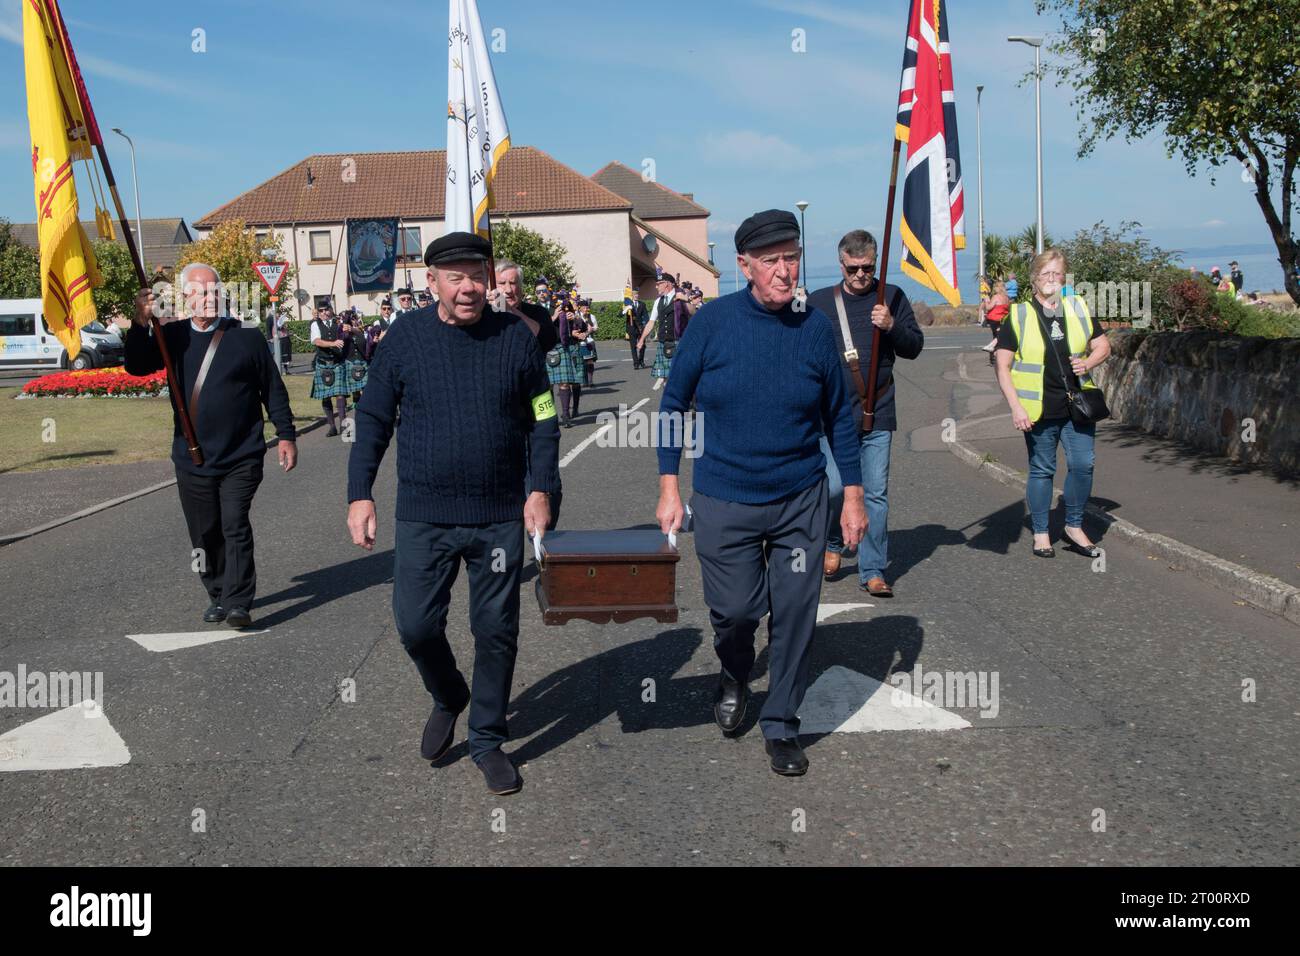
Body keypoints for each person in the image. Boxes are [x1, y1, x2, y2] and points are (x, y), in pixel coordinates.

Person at [346, 232, 559, 796]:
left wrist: (542, 489)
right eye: (455, 277)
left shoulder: (517, 338)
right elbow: (371, 419)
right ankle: (449, 695)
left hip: (497, 514)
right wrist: (359, 493)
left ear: (490, 279)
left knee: (495, 630)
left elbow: (543, 416)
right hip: (424, 513)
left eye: (476, 276)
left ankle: (487, 738)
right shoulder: (403, 339)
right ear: (432, 281)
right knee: (415, 625)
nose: (468, 288)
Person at [656, 209, 866, 777]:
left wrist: (851, 494)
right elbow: (673, 405)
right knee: (735, 613)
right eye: (770, 260)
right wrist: (669, 485)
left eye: (791, 258)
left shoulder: (815, 330)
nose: (783, 271)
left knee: (796, 612)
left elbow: (841, 417)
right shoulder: (713, 323)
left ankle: (781, 724)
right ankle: (734, 670)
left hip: (800, 496)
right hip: (725, 497)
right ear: (744, 265)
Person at [126, 262, 297, 629]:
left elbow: (272, 388)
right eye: (201, 291)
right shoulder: (172, 336)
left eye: (215, 290)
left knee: (234, 523)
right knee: (205, 532)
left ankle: (238, 601)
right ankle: (217, 594)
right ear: (186, 297)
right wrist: (140, 323)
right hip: (193, 457)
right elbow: (137, 367)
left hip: (242, 454)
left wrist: (286, 434)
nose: (209, 298)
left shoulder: (245, 336)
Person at [808, 229, 923, 597]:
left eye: (868, 268)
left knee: (875, 494)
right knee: (835, 487)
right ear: (841, 264)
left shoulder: (891, 296)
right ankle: (832, 540)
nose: (861, 275)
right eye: (854, 268)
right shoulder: (820, 302)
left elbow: (914, 346)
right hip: (833, 415)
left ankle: (873, 569)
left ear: (876, 262)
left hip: (878, 411)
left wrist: (891, 327)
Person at [994, 248, 1111, 559]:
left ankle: (1074, 526)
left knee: (1084, 464)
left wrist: (1088, 362)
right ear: (1034, 279)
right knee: (1042, 469)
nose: (1051, 279)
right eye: (1045, 273)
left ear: (1064, 278)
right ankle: (1042, 532)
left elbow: (1103, 345)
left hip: (1078, 405)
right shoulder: (1018, 315)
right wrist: (1016, 407)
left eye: (1057, 274)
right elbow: (1002, 365)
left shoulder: (1078, 307)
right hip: (1038, 409)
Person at [310, 301, 352, 437]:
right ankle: (332, 426)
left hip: (337, 362)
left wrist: (347, 330)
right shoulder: (315, 324)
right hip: (323, 363)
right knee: (326, 395)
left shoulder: (338, 324)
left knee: (340, 394)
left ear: (331, 310)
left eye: (326, 310)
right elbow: (317, 341)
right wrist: (333, 343)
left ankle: (343, 425)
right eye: (320, 311)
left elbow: (346, 337)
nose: (323, 313)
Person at [638, 273, 683, 392]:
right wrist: (642, 339)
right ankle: (671, 404)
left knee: (680, 377)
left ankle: (690, 402)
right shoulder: (658, 301)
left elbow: (693, 313)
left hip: (680, 341)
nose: (656, 287)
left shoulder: (681, 297)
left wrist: (686, 300)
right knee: (667, 380)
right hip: (664, 342)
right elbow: (651, 322)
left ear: (667, 284)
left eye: (658, 284)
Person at [547, 299, 584, 427]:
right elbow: (539, 327)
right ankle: (551, 416)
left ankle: (566, 414)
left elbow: (582, 327)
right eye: (539, 291)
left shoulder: (562, 308)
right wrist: (554, 316)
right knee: (548, 385)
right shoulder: (536, 309)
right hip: (546, 348)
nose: (541, 293)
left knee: (565, 383)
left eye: (544, 291)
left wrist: (574, 319)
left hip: (563, 347)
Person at [981, 280, 1011, 362]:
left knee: (996, 337)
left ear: (997, 288)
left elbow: (988, 308)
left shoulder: (996, 297)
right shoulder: (1007, 297)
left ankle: (993, 357)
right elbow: (1008, 309)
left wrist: (987, 300)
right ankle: (995, 356)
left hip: (994, 319)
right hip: (1003, 319)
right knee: (999, 338)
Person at [626, 288, 648, 369]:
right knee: (633, 346)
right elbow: (620, 314)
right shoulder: (628, 305)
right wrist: (626, 309)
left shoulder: (642, 304)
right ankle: (636, 363)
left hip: (640, 327)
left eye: (637, 294)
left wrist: (647, 324)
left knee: (643, 345)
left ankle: (641, 360)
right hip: (631, 328)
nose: (636, 296)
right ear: (632, 296)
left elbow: (646, 315)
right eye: (635, 294)